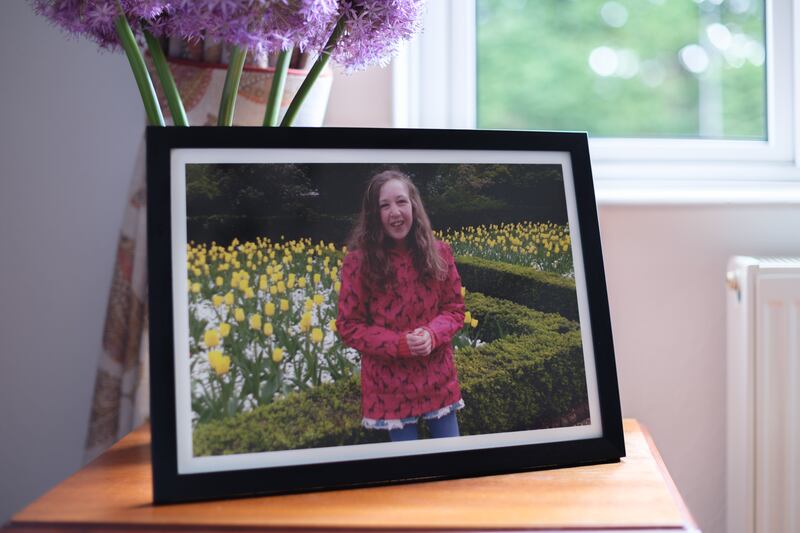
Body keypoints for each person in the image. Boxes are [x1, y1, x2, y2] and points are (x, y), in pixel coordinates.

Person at [337, 170, 466, 441]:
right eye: (385, 205)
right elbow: (349, 326)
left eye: (401, 201)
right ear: (374, 214)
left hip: (437, 378)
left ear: (414, 206)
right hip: (389, 387)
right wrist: (400, 344)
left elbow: (454, 309)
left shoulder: (439, 252)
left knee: (452, 464)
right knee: (411, 474)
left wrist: (432, 334)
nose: (395, 211)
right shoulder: (358, 263)